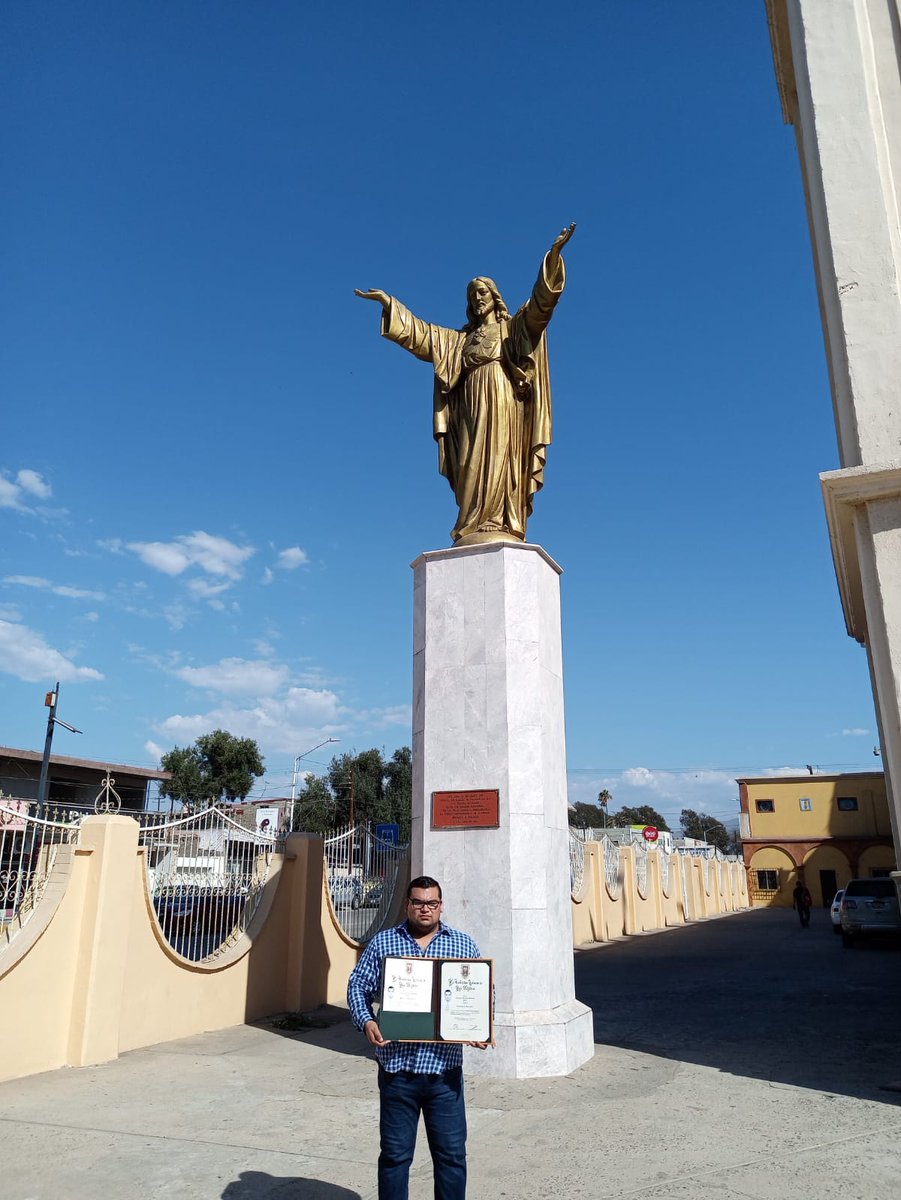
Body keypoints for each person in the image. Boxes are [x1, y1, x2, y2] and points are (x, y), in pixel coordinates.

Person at [355, 225, 574, 546]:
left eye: (482, 293)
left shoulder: (512, 330)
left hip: (501, 398)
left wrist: (553, 257)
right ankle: (472, 520)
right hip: (469, 405)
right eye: (472, 296)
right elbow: (423, 336)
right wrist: (390, 304)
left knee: (499, 457)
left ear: (495, 296)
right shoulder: (459, 341)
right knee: (469, 463)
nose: (477, 299)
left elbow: (542, 307)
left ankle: (499, 519)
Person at [347, 875, 488, 1200]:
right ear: (408, 904)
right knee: (395, 1157)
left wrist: (480, 1025)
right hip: (398, 1072)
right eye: (418, 902)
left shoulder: (462, 944)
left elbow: (482, 991)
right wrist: (366, 1020)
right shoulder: (383, 943)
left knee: (452, 1157)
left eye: (432, 903)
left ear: (441, 905)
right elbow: (357, 986)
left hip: (444, 1076)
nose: (425, 909)